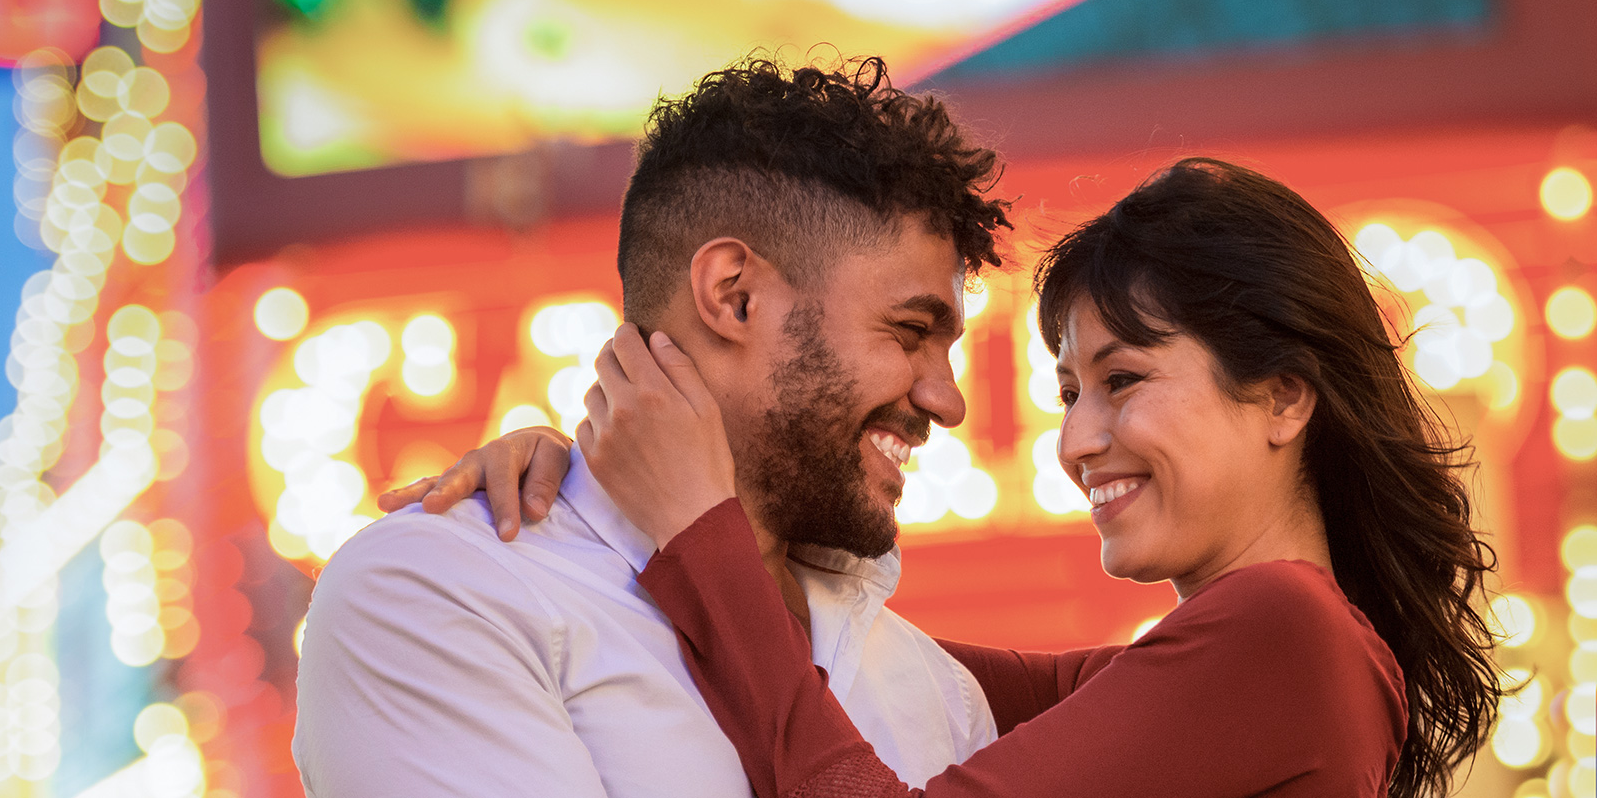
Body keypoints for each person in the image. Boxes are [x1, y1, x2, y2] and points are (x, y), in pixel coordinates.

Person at [399, 160, 1502, 797]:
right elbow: (824, 650)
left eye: (1123, 379)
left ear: (1283, 397)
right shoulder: (1235, 656)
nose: (1077, 442)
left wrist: (691, 521)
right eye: (1070, 391)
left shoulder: (1282, 631)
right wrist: (597, 498)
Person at [291, 55, 1016, 797]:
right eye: (908, 331)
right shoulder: (442, 590)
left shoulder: (937, 696)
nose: (947, 400)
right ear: (734, 296)